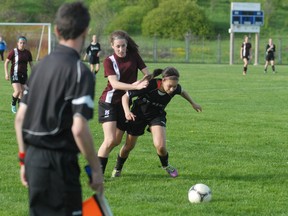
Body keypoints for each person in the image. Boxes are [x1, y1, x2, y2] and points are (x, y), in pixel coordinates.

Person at [14, 2, 104, 215]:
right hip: (60, 165)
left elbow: (20, 119)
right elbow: (79, 129)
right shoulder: (81, 73)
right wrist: (96, 169)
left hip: (34, 160)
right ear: (85, 31)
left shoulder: (40, 67)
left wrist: (23, 160)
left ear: (56, 31)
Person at [111, 67, 202, 178]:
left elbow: (182, 92)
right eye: (170, 86)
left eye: (175, 86)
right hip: (137, 116)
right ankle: (117, 168)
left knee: (161, 146)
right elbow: (125, 96)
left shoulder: (175, 88)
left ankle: (166, 165)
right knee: (129, 146)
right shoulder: (149, 85)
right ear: (163, 81)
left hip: (157, 115)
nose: (173, 89)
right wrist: (127, 111)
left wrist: (193, 103)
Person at [97, 30, 151, 175]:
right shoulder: (109, 61)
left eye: (123, 46)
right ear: (112, 46)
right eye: (118, 46)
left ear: (127, 45)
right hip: (108, 102)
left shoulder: (134, 56)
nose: (121, 49)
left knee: (115, 141)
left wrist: (146, 80)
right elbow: (114, 84)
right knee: (109, 140)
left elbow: (147, 74)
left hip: (124, 104)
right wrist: (135, 86)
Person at [4, 36, 33, 114]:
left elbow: (31, 64)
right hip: (14, 74)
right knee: (18, 91)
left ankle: (20, 108)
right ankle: (13, 104)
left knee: (23, 92)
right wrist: (6, 74)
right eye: (20, 43)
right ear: (17, 43)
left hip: (24, 75)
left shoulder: (28, 53)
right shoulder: (13, 52)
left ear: (25, 44)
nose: (22, 44)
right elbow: (6, 62)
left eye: (24, 43)